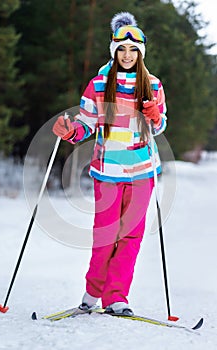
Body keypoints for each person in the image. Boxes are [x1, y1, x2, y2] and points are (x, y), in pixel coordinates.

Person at [53, 12, 167, 316]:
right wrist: (71, 131)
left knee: (131, 238)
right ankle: (92, 294)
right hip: (108, 172)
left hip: (142, 173)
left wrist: (155, 116)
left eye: (133, 50)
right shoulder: (99, 85)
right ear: (114, 50)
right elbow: (86, 124)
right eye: (122, 49)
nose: (127, 55)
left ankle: (117, 298)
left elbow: (159, 126)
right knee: (105, 236)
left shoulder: (153, 85)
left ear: (140, 53)